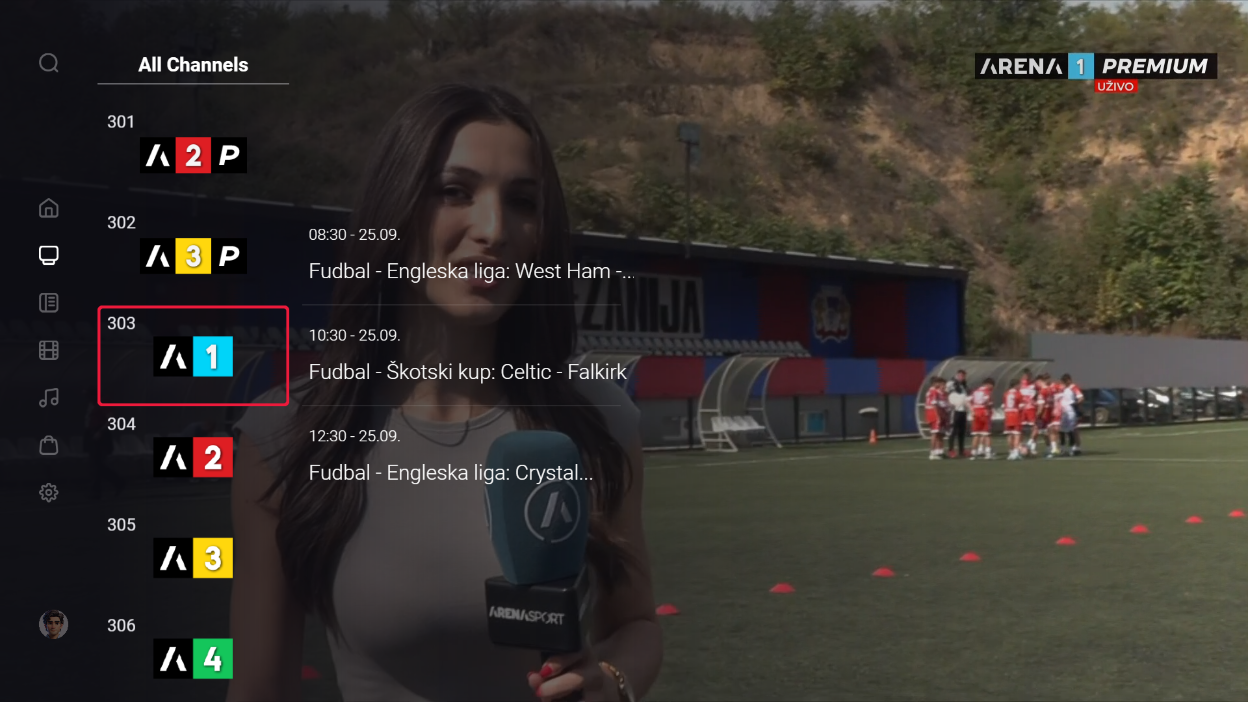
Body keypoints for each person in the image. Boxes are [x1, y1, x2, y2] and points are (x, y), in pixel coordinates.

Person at [227, 85, 660, 702]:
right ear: (397, 210)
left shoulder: (598, 421)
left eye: (523, 202)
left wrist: (611, 682)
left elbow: (637, 624)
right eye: (455, 191)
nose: (494, 229)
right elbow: (257, 689)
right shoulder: (283, 435)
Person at [85, 389, 126, 499]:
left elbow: (110, 419)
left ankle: (116, 483)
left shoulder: (103, 401)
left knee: (96, 464)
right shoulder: (93, 404)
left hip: (100, 435)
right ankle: (113, 484)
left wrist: (100, 431)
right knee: (96, 465)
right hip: (93, 434)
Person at [969, 377, 995, 459]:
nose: (992, 388)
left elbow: (968, 400)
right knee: (987, 434)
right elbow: (987, 402)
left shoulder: (975, 391)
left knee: (976, 434)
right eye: (992, 386)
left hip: (976, 413)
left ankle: (973, 454)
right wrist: (989, 405)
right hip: (984, 413)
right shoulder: (987, 391)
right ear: (988, 384)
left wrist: (972, 410)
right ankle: (988, 453)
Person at [924, 376, 948, 460]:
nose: (940, 385)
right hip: (934, 412)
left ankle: (938, 452)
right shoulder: (934, 391)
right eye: (939, 383)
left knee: (938, 433)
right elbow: (934, 404)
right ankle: (932, 453)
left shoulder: (930, 391)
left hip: (931, 412)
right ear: (934, 383)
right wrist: (938, 416)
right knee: (935, 433)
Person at [947, 369, 971, 458]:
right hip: (955, 410)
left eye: (964, 376)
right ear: (957, 375)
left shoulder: (964, 384)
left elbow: (965, 395)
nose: (963, 377)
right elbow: (947, 393)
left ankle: (961, 450)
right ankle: (951, 450)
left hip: (963, 410)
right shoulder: (952, 383)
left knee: (962, 431)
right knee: (953, 430)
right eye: (961, 376)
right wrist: (949, 403)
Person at [1061, 374, 1084, 455]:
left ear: (1069, 380)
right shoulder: (1063, 388)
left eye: (1065, 381)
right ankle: (1065, 448)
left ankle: (1076, 447)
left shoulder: (1073, 387)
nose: (1065, 383)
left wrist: (1075, 404)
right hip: (1064, 412)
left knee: (1074, 429)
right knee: (1063, 430)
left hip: (1072, 411)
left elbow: (1081, 398)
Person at [1018, 368, 1037, 456]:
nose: (1027, 377)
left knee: (1035, 427)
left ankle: (1031, 446)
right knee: (1020, 428)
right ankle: (1020, 446)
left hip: (1031, 408)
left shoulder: (1034, 385)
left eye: (1029, 375)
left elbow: (1038, 395)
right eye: (1025, 375)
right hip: (1022, 409)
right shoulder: (1020, 384)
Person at [1003, 378, 1022, 460]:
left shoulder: (1006, 393)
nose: (1020, 386)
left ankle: (1011, 452)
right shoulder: (1018, 393)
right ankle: (1016, 452)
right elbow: (1021, 406)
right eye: (1019, 384)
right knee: (1017, 434)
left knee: (1009, 434)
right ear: (1016, 385)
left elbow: (1004, 405)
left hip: (1007, 414)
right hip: (1015, 414)